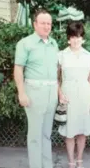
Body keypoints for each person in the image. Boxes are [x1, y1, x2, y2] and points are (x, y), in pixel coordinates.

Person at [14, 9, 59, 168]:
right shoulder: (25, 43)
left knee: (46, 134)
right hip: (34, 93)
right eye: (43, 23)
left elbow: (56, 70)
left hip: (51, 93)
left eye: (49, 23)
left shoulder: (54, 44)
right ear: (35, 24)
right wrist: (21, 93)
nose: (47, 26)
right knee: (35, 135)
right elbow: (18, 69)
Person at [57, 21, 90, 168]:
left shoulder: (89, 56)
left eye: (78, 36)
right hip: (68, 96)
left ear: (83, 38)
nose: (76, 40)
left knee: (82, 131)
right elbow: (56, 79)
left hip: (85, 96)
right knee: (69, 131)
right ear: (68, 38)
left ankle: (79, 160)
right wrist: (60, 94)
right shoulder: (61, 55)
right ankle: (71, 162)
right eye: (73, 36)